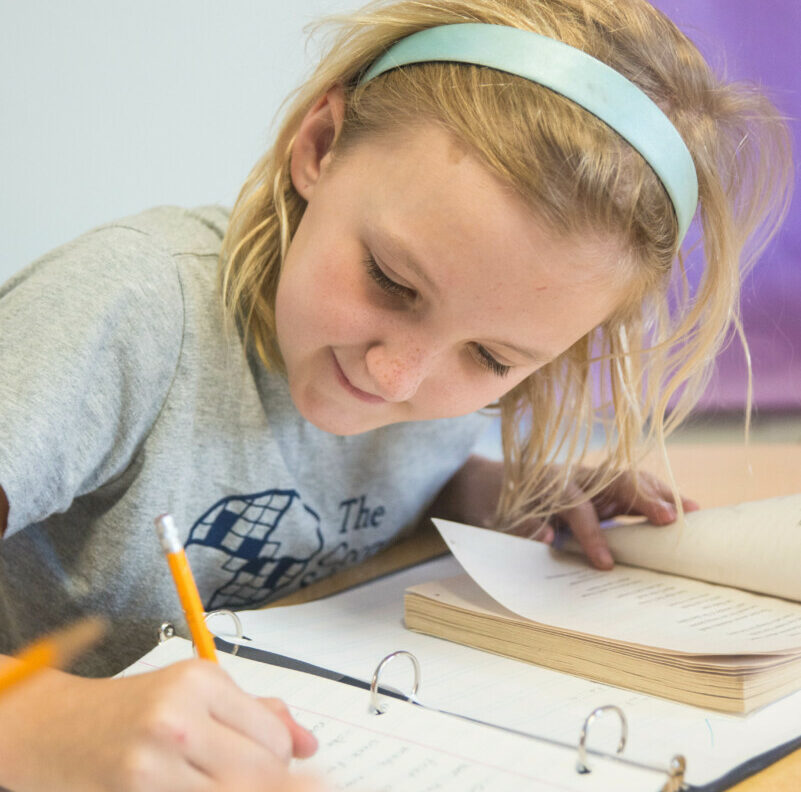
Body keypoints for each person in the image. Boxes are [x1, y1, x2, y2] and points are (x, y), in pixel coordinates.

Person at [0, 0, 792, 789]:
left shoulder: (425, 397)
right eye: (389, 281)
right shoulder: (124, 316)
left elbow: (337, 491)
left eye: (488, 356)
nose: (396, 376)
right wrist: (41, 727)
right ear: (319, 147)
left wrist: (496, 494)